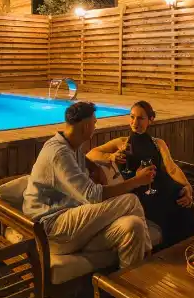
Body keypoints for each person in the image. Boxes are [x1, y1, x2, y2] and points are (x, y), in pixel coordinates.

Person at [22, 100, 156, 269]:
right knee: (130, 200)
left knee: (134, 226)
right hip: (51, 230)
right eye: (94, 122)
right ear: (85, 127)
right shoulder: (59, 153)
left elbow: (78, 161)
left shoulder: (69, 145)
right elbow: (93, 195)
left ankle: (129, 280)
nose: (95, 126)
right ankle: (149, 259)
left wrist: (93, 166)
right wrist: (137, 181)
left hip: (74, 227)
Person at [87, 100, 194, 248]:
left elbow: (171, 168)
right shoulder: (122, 142)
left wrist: (187, 186)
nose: (135, 122)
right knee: (170, 209)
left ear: (150, 120)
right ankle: (171, 253)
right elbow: (91, 154)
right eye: (132, 117)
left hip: (161, 186)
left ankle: (191, 248)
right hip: (140, 191)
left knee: (181, 199)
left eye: (140, 118)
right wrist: (111, 156)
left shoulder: (158, 143)